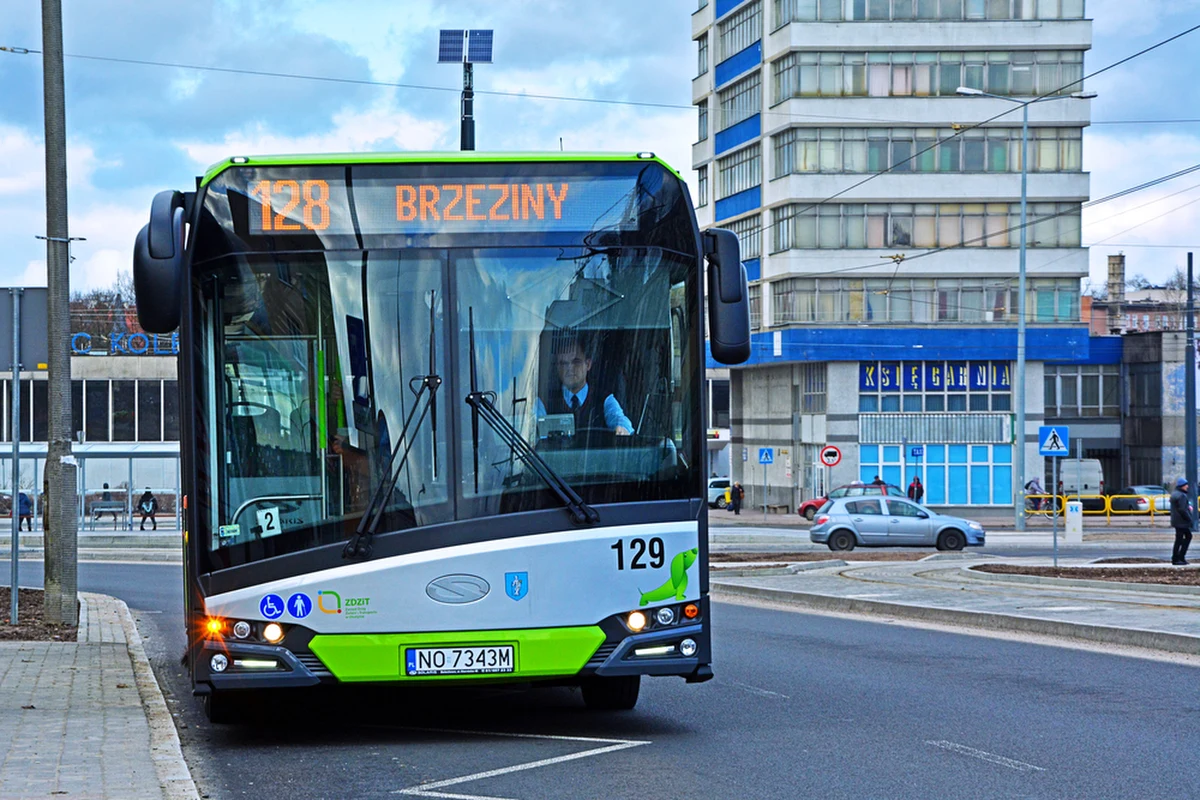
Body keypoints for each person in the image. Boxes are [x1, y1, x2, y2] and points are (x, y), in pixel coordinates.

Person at [535, 336, 632, 436]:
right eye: (563, 363)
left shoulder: (604, 399)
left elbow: (618, 418)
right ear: (557, 367)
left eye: (576, 362)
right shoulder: (544, 401)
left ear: (588, 364)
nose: (569, 368)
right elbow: (535, 430)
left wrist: (621, 428)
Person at [1170, 477, 1193, 566]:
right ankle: (1178, 557)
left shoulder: (1175, 494)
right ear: (1182, 486)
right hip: (1182, 521)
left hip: (1176, 520)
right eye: (1186, 485)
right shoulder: (1182, 496)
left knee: (1180, 538)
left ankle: (1178, 557)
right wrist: (1189, 519)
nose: (1187, 486)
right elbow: (1183, 510)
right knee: (1185, 537)